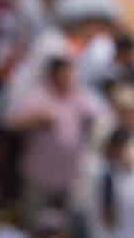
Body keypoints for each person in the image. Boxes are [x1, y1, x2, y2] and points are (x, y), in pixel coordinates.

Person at [7, 53, 106, 220]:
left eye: (70, 74)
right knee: (35, 224)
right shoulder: (39, 96)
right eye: (64, 74)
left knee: (63, 230)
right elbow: (13, 122)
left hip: (69, 177)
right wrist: (36, 119)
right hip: (40, 177)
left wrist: (91, 121)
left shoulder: (80, 96)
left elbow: (101, 118)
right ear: (53, 75)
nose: (68, 78)